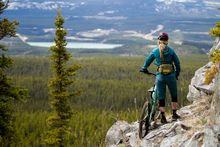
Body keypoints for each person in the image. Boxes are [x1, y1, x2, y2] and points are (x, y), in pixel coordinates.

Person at [140, 32, 181, 123]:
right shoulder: (171, 51)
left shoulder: (155, 51)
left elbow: (148, 61)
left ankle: (163, 117)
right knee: (174, 95)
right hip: (171, 76)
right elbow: (177, 64)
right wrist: (176, 74)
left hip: (160, 77)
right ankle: (174, 114)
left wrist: (144, 68)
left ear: (159, 41)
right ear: (167, 41)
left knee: (161, 97)